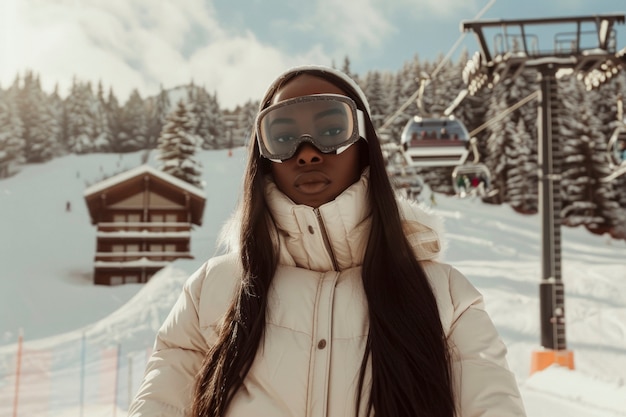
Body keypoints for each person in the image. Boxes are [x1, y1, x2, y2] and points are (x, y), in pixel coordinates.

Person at [127, 65, 526, 417]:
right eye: (282, 138)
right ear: (262, 157)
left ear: (364, 144)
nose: (307, 153)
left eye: (332, 130)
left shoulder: (446, 297)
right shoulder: (212, 292)